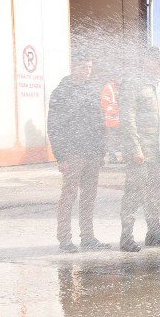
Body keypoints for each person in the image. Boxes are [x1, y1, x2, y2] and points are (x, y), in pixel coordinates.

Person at [119, 46, 160, 252]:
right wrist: (135, 148)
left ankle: (154, 233)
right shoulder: (133, 83)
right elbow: (127, 119)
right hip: (142, 153)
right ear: (148, 61)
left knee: (156, 194)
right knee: (134, 194)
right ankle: (126, 237)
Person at [48, 53, 110, 253]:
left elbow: (99, 122)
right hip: (73, 153)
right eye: (83, 67)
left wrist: (102, 150)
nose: (87, 71)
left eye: (90, 67)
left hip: (92, 152)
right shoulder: (61, 92)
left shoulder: (91, 90)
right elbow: (54, 126)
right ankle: (65, 238)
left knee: (89, 196)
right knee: (69, 195)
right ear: (73, 67)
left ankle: (88, 237)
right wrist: (61, 156)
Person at [100, 72, 122, 164]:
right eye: (119, 77)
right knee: (112, 139)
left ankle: (123, 157)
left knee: (120, 139)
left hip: (119, 119)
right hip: (112, 119)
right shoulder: (108, 88)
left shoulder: (118, 88)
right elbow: (104, 104)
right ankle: (112, 158)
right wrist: (115, 110)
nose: (121, 80)